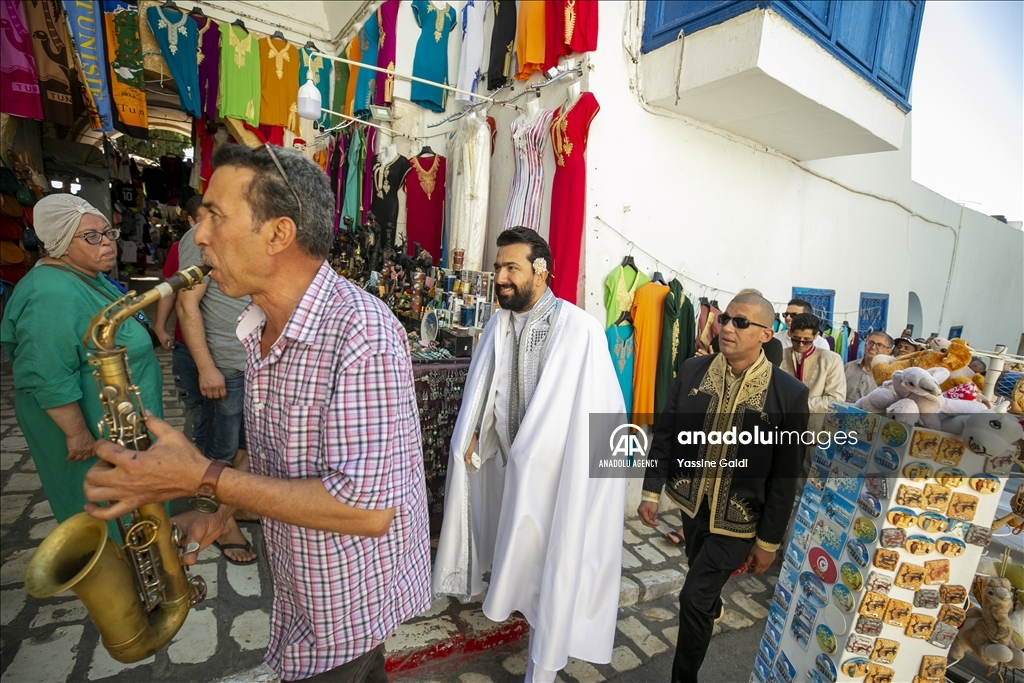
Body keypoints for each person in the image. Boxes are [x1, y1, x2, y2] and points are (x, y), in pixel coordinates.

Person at [83, 144, 432, 682]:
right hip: (303, 586)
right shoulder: (257, 325)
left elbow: (366, 512)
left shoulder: (362, 334)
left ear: (278, 234)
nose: (199, 236)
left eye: (215, 216)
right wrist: (219, 510)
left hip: (348, 605)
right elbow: (284, 464)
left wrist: (205, 477)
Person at [433, 227, 626, 682]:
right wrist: (478, 434)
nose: (499, 276)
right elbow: (489, 391)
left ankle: (542, 670)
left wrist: (598, 483)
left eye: (510, 268)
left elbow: (608, 413)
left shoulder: (580, 329)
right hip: (511, 476)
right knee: (522, 568)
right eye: (498, 267)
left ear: (540, 272)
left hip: (563, 485)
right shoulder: (499, 324)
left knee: (555, 572)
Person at [639, 292, 809, 683]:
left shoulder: (789, 394)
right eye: (726, 319)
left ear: (766, 333)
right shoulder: (693, 371)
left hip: (741, 519)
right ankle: (709, 605)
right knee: (702, 584)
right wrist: (652, 491)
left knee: (693, 597)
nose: (727, 327)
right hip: (692, 506)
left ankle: (684, 678)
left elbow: (786, 476)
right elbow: (665, 435)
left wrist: (768, 541)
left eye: (740, 322)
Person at [0, 195, 163, 529]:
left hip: (114, 422)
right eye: (91, 236)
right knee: (103, 510)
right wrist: (78, 435)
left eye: (108, 233)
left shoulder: (86, 274)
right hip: (84, 428)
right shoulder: (50, 293)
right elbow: (47, 372)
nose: (106, 243)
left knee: (136, 504)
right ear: (59, 242)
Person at [176, 193, 257, 565]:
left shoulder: (243, 231)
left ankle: (233, 508)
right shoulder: (200, 237)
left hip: (251, 361)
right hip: (223, 363)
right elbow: (186, 304)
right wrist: (206, 367)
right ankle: (218, 524)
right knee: (220, 451)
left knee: (245, 445)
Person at [780, 313, 846, 413]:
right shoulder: (780, 355)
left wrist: (799, 406)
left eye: (806, 340)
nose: (801, 344)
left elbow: (836, 399)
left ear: (816, 336)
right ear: (790, 333)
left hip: (815, 424)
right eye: (796, 339)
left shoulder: (831, 359)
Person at [844, 331, 892, 402]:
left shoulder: (889, 376)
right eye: (870, 343)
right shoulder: (848, 367)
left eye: (879, 345)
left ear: (888, 351)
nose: (873, 347)